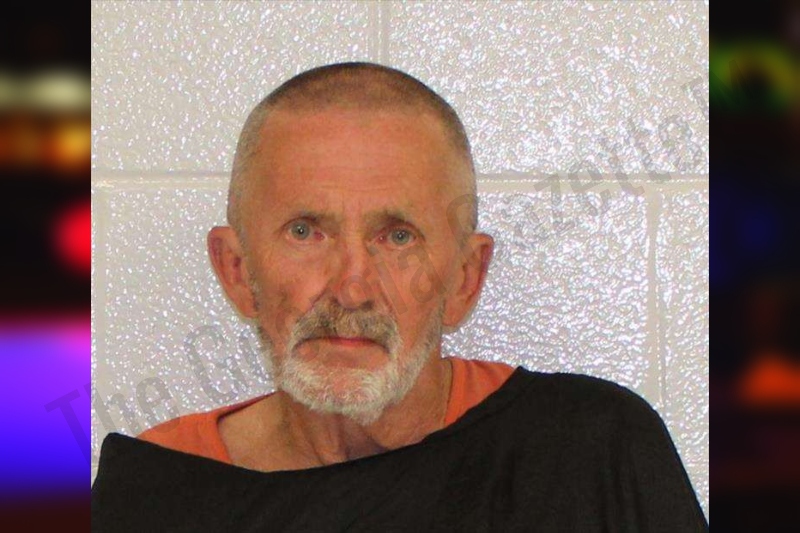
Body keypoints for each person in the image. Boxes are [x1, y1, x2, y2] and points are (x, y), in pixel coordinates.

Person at [91, 62, 708, 531]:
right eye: (306, 232)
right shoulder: (158, 491)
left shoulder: (587, 452)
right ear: (236, 270)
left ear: (464, 279)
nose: (352, 288)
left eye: (397, 236)